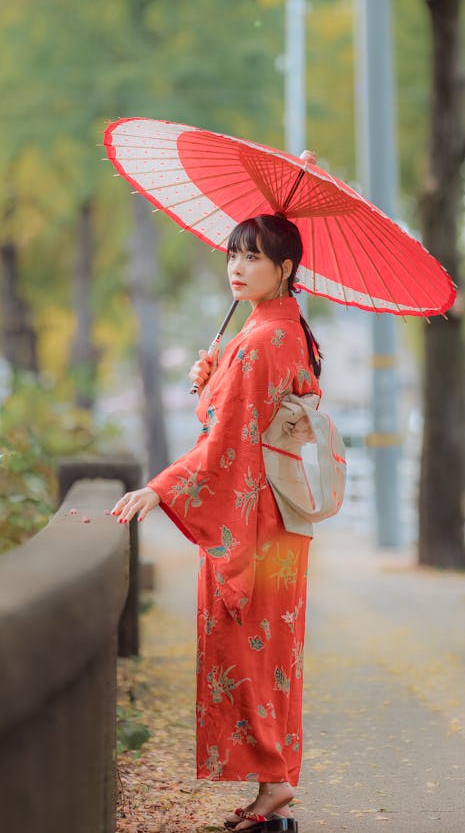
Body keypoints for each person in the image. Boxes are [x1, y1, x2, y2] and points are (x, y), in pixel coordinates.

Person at [112, 213, 323, 833]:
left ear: (285, 269)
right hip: (279, 519)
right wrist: (211, 381)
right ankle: (274, 784)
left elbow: (226, 444)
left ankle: (275, 787)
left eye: (254, 257)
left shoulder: (258, 341)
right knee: (274, 652)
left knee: (249, 649)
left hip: (251, 517)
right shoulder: (288, 332)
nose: (237, 267)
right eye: (233, 254)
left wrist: (160, 487)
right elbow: (249, 415)